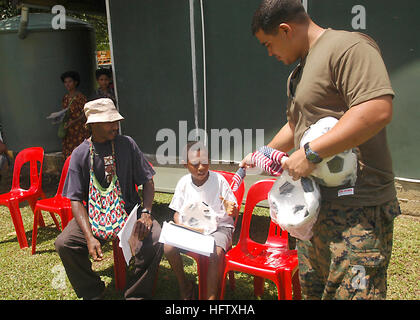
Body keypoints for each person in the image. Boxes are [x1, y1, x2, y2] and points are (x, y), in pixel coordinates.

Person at [240, 0, 401, 300]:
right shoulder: (299, 72)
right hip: (314, 212)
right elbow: (298, 124)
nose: (270, 53)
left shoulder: (348, 48)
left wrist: (311, 153)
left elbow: (377, 108)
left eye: (268, 44)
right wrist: (264, 152)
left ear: (286, 30)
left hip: (358, 211)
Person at [55, 98, 162, 300]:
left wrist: (146, 213)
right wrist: (89, 237)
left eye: (116, 120)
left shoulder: (127, 144)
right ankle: (93, 292)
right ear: (93, 125)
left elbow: (148, 181)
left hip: (129, 212)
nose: (116, 125)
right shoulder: (79, 154)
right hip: (95, 216)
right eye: (109, 122)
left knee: (156, 238)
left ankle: (136, 294)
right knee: (64, 243)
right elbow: (76, 200)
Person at [164, 141, 239, 300]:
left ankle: (210, 297)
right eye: (195, 164)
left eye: (205, 162)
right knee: (168, 246)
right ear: (186, 164)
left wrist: (232, 209)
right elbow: (176, 213)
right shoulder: (184, 183)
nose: (201, 167)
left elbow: (232, 210)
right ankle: (184, 285)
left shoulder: (219, 181)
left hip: (219, 227)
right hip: (192, 229)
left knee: (215, 251)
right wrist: (181, 224)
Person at [60, 71, 90, 159]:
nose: (67, 84)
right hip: (68, 132)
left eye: (70, 81)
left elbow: (85, 113)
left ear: (75, 82)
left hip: (79, 131)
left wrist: (73, 122)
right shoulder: (65, 98)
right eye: (65, 82)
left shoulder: (80, 97)